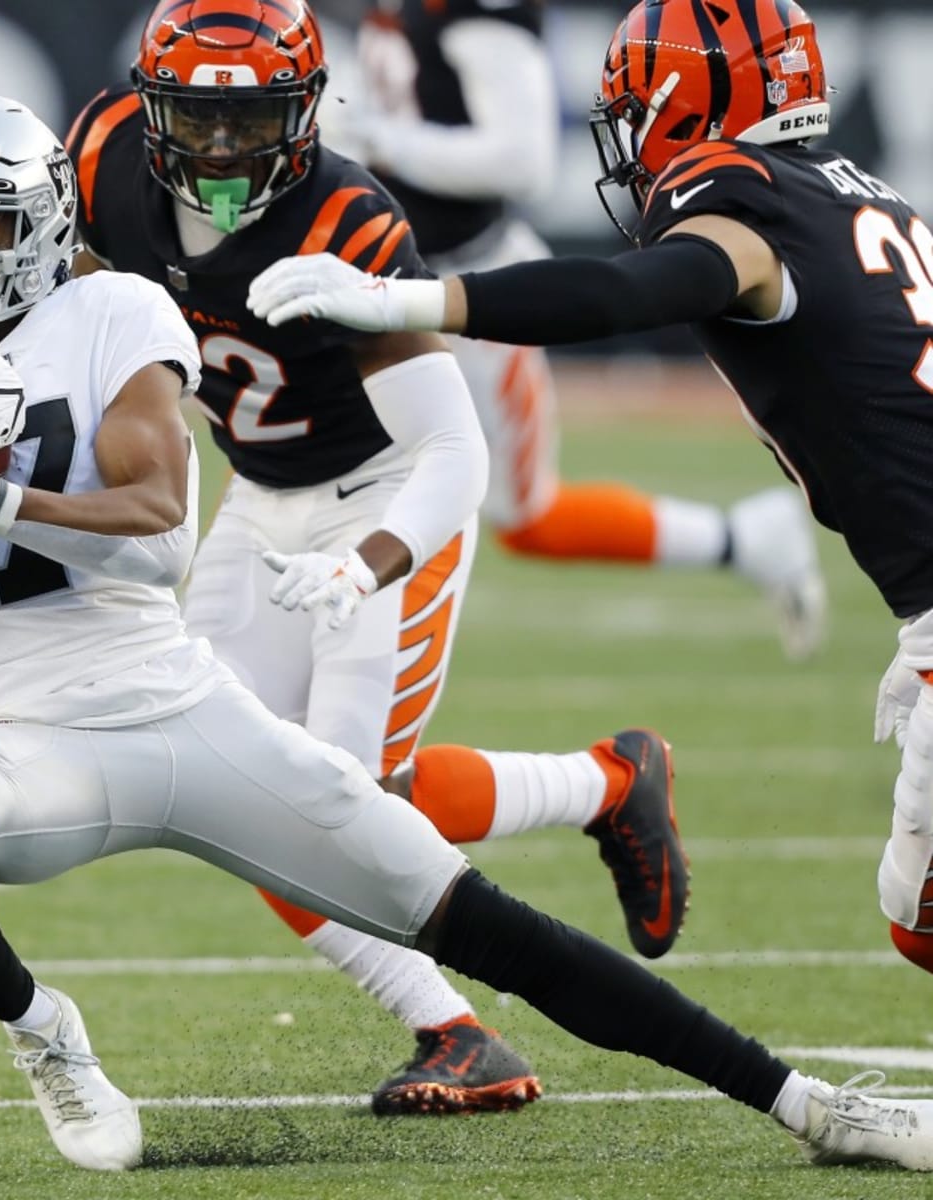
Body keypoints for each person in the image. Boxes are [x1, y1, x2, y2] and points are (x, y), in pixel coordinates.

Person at [0, 87, 933, 1179]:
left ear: (39, 228)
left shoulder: (115, 308)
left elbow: (159, 535)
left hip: (189, 707)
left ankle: (813, 1104)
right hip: (22, 745)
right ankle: (49, 1037)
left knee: (494, 929)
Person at [65, 0, 688, 1117]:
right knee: (231, 786)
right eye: (194, 123)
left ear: (304, 111)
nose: (217, 153)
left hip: (387, 502)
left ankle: (526, 918)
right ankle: (584, 820)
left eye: (247, 121)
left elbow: (452, 451)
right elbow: (83, 292)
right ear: (146, 110)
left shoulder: (346, 216)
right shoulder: (105, 152)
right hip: (260, 500)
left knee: (333, 805)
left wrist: (369, 563)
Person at [249, 0, 933, 979]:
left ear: (687, 100)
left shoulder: (746, 208)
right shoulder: (855, 194)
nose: (628, 142)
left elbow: (626, 294)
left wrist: (408, 299)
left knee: (921, 918)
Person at [315, 0, 826, 662]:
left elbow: (523, 161)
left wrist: (377, 139)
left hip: (469, 287)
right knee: (330, 468)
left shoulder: (478, 14)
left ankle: (745, 538)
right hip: (380, 276)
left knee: (525, 518)